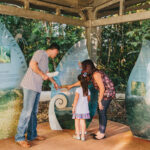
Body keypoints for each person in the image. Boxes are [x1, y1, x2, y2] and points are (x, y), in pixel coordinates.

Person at [15, 43, 60, 148]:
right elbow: (32, 65)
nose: (56, 55)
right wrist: (42, 75)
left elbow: (47, 74)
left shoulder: (46, 59)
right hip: (30, 85)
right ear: (54, 50)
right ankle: (19, 138)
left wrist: (53, 82)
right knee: (26, 112)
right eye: (56, 53)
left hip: (37, 87)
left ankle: (32, 135)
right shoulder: (40, 53)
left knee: (33, 112)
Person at [64, 59, 115, 140]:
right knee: (100, 111)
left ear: (87, 67)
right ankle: (100, 131)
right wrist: (71, 86)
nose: (82, 69)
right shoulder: (87, 73)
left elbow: (102, 88)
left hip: (108, 92)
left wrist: (99, 101)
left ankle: (102, 133)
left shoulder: (96, 74)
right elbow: (82, 81)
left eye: (83, 67)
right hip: (103, 91)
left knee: (102, 110)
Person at [72, 73, 91, 141]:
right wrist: (85, 104)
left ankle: (77, 135)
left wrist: (74, 107)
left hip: (78, 109)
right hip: (85, 109)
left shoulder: (78, 90)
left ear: (80, 82)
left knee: (77, 121)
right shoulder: (87, 90)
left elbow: (76, 99)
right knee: (83, 121)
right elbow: (88, 99)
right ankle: (83, 136)